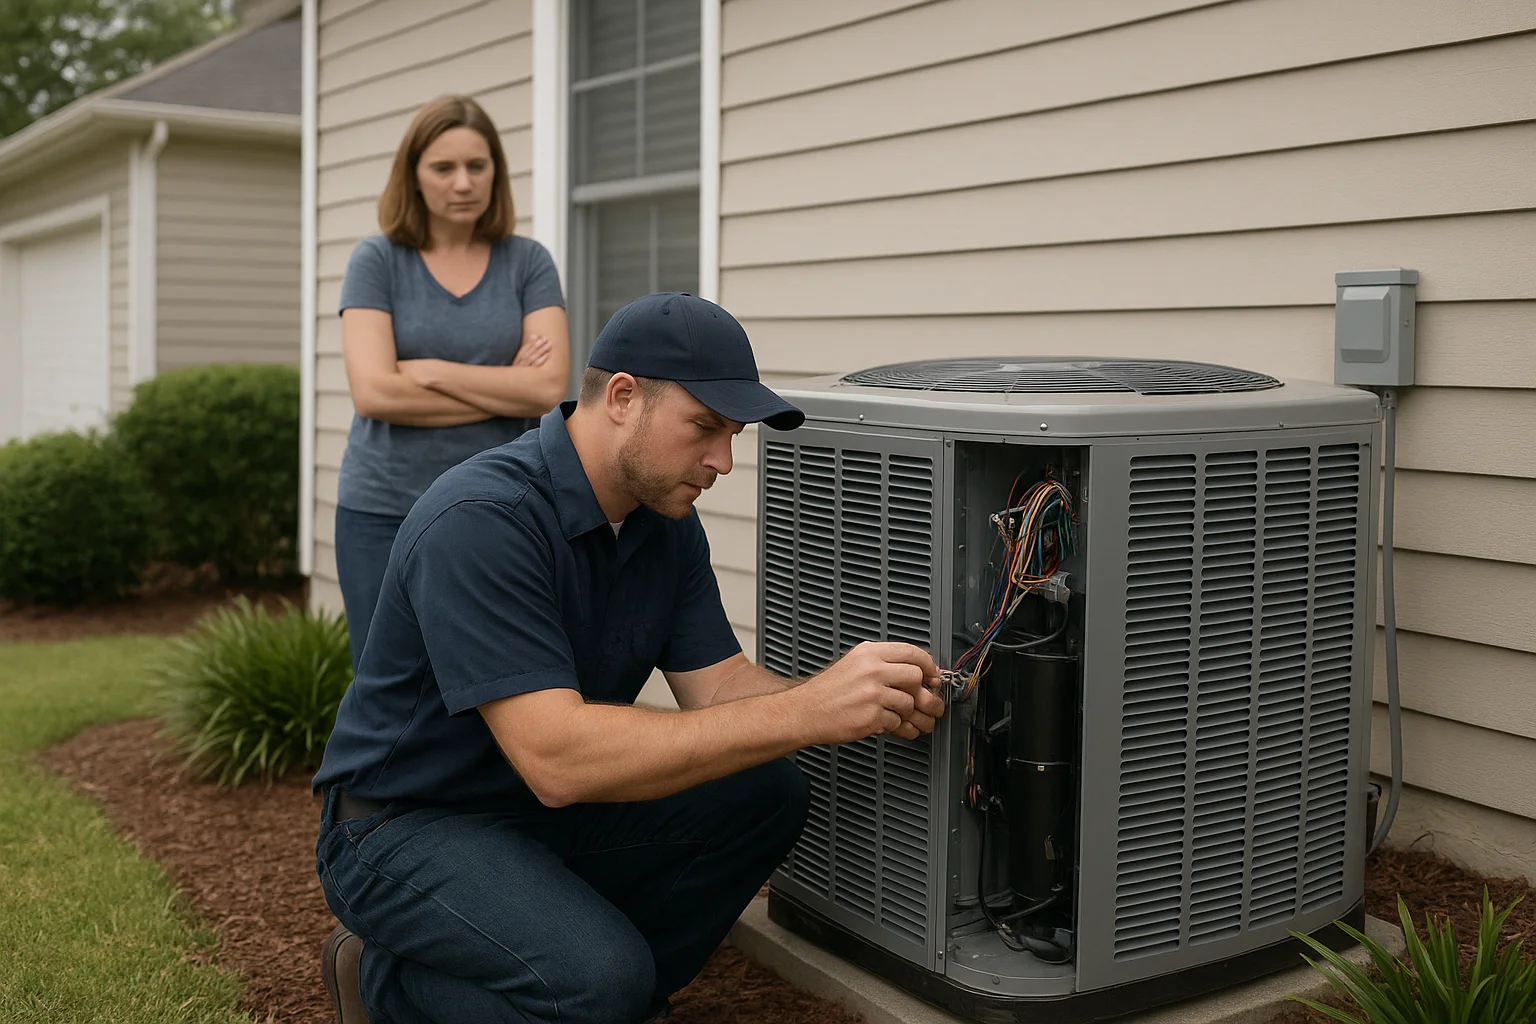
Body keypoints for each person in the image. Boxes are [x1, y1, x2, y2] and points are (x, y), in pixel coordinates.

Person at [311, 291, 947, 1024]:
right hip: (403, 826)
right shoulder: (483, 521)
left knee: (766, 794)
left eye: (733, 435)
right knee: (598, 980)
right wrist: (810, 708)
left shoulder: (663, 522)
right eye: (705, 428)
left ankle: (605, 994)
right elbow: (557, 760)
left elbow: (718, 689)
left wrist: (854, 703)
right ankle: (384, 979)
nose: (724, 462)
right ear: (621, 397)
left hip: (540, 814)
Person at [333, 94, 569, 671]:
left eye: (477, 166)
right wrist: (502, 384)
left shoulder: (527, 263)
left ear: (496, 172)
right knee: (386, 683)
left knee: (489, 676)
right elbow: (375, 394)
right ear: (413, 175)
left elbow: (547, 389)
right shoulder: (378, 261)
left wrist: (432, 372)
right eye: (444, 168)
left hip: (496, 505)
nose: (463, 183)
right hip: (381, 510)